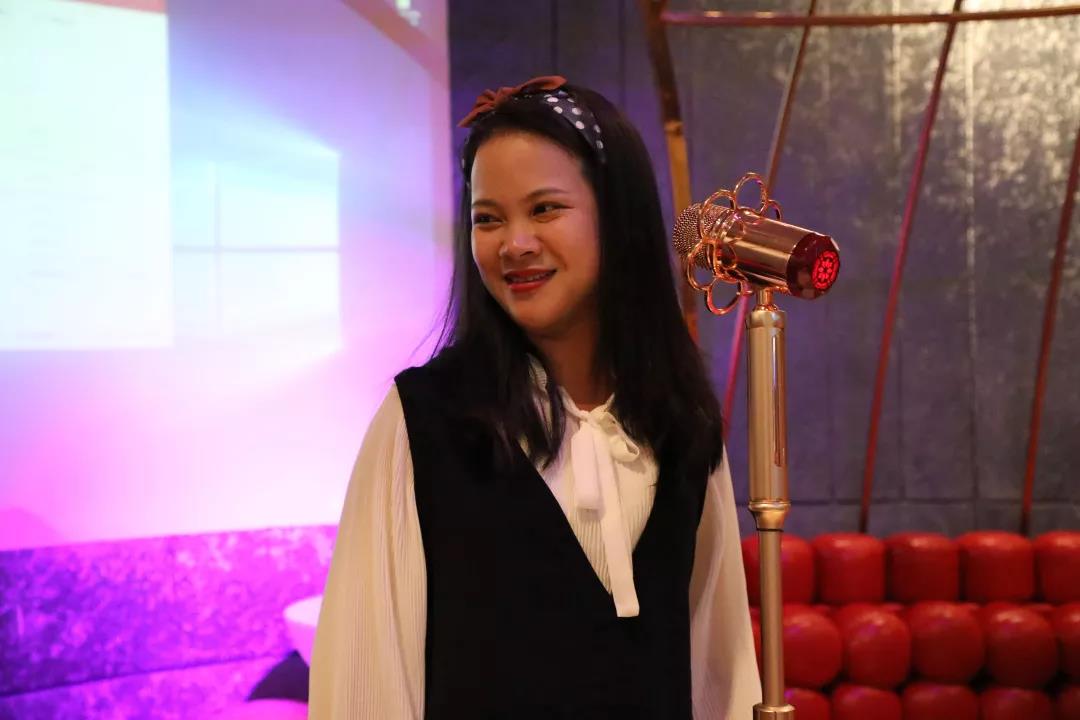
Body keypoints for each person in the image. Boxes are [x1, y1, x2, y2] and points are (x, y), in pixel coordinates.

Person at [309, 75, 760, 719]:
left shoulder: (684, 424)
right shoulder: (423, 420)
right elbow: (363, 685)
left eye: (544, 209)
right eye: (487, 218)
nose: (514, 243)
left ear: (618, 217)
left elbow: (723, 674)